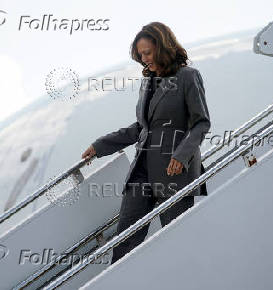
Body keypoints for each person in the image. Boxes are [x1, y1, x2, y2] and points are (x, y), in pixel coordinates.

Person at [81, 22, 211, 264]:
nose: (144, 59)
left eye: (147, 53)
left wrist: (181, 156)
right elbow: (142, 128)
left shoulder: (187, 77)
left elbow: (201, 123)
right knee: (124, 242)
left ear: (162, 47)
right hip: (142, 171)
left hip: (175, 173)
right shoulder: (148, 82)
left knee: (178, 241)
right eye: (140, 55)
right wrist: (101, 146)